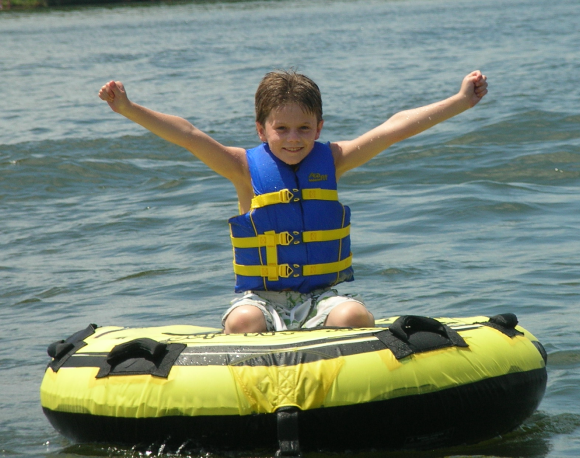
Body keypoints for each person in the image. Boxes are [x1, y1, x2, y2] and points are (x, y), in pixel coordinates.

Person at [98, 69, 488, 334]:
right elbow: (188, 134)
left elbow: (394, 128)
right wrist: (129, 109)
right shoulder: (242, 168)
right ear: (260, 128)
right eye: (281, 128)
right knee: (243, 324)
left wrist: (459, 101)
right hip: (263, 299)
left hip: (323, 297)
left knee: (353, 315)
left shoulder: (333, 159)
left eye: (304, 128)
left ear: (319, 127)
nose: (293, 138)